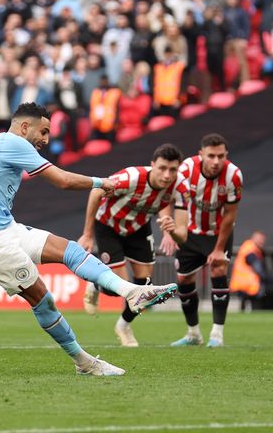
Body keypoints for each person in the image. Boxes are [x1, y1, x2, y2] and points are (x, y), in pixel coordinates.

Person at [0, 103, 177, 376]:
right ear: (24, 127)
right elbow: (63, 180)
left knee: (68, 248)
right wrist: (101, 182)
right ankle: (85, 363)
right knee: (42, 299)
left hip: (0, 229)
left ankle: (132, 292)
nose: (46, 139)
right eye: (43, 131)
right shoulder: (14, 143)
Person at [78, 143, 189, 347]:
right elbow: (96, 192)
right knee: (116, 288)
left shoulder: (181, 188)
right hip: (109, 225)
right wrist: (87, 234)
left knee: (144, 287)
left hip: (138, 228)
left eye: (173, 170)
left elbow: (182, 236)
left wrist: (172, 230)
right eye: (162, 168)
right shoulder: (131, 177)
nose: (167, 175)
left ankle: (123, 326)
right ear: (152, 165)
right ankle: (95, 284)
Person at [163, 133, 243, 348]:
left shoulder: (234, 175)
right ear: (201, 155)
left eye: (221, 156)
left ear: (226, 155)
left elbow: (230, 215)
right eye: (211, 156)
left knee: (218, 271)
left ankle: (217, 334)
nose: (216, 161)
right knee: (184, 281)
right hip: (188, 232)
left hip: (218, 232)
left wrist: (218, 249)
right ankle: (193, 334)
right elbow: (165, 197)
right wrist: (167, 232)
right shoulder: (186, 170)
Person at [230, 230, 273, 312]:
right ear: (253, 239)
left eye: (263, 240)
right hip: (248, 285)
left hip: (242, 284)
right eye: (260, 240)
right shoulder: (250, 251)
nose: (262, 242)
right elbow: (260, 272)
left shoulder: (251, 249)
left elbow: (267, 271)